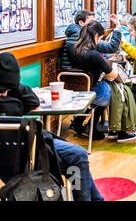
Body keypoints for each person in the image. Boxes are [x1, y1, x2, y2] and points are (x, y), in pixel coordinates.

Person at [0, 52, 104, 201]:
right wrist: (13, 88)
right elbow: (33, 101)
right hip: (28, 156)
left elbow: (33, 102)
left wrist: (12, 86)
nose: (4, 93)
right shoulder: (10, 101)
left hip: (21, 153)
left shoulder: (9, 95)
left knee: (78, 159)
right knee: (78, 158)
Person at [67, 21, 136, 143]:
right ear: (96, 36)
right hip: (92, 91)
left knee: (106, 89)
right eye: (100, 38)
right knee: (118, 92)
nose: (100, 41)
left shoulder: (71, 48)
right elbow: (113, 74)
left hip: (76, 89)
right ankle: (112, 128)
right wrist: (115, 66)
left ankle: (78, 122)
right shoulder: (93, 54)